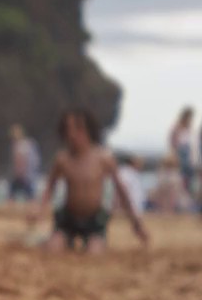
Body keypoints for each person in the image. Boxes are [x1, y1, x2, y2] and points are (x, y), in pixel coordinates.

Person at [29, 107, 149, 252]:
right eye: (67, 129)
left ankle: (93, 240)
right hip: (68, 218)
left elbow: (122, 191)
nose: (71, 134)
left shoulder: (103, 158)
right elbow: (49, 187)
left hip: (94, 220)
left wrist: (135, 223)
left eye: (76, 129)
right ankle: (52, 239)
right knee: (53, 248)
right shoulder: (62, 159)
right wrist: (40, 209)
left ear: (87, 130)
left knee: (94, 250)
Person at [169, 106, 197, 196]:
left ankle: (187, 195)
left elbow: (192, 145)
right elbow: (173, 143)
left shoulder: (190, 129)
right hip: (180, 154)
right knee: (181, 177)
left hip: (188, 154)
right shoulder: (177, 128)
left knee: (189, 177)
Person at [9, 123, 40, 201]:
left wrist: (20, 174)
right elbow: (36, 161)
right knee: (29, 195)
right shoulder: (29, 144)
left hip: (24, 176)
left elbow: (21, 162)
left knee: (13, 192)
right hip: (30, 175)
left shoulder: (19, 146)